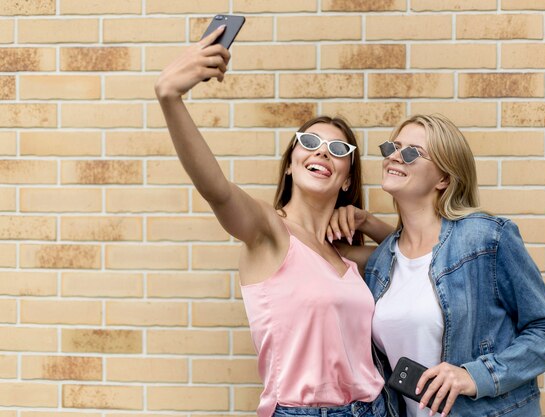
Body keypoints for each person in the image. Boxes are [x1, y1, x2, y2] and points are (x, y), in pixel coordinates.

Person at [154, 26, 387, 417]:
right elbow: (217, 189)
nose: (322, 153)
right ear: (292, 165)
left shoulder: (345, 257)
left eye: (338, 149)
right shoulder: (269, 232)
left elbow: (420, 253)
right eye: (309, 143)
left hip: (374, 408)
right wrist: (169, 97)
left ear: (348, 177)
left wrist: (368, 220)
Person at [328, 114, 545, 417]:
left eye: (411, 152)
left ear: (443, 178)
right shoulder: (381, 263)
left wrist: (474, 376)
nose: (394, 156)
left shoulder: (485, 239)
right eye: (393, 146)